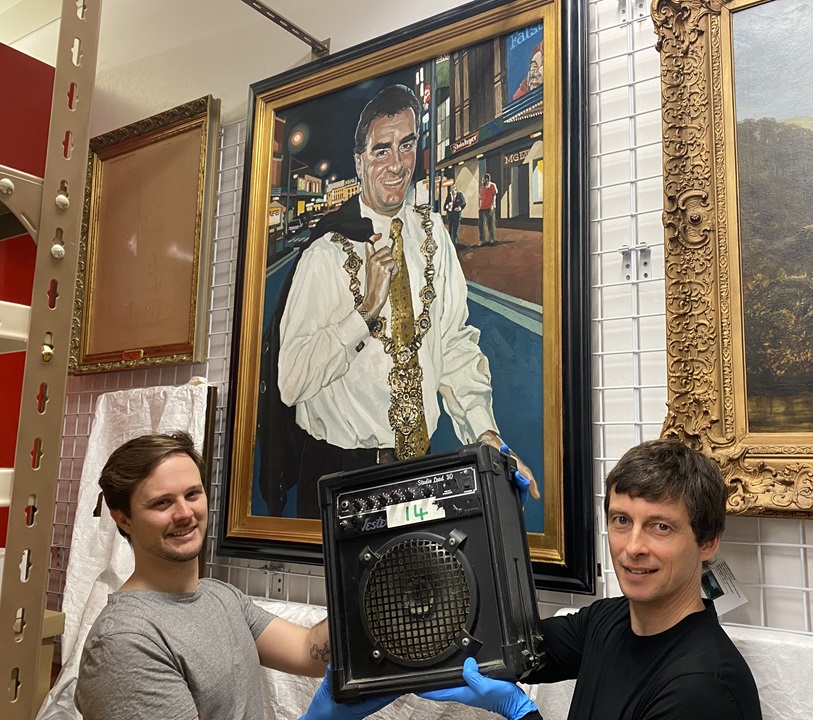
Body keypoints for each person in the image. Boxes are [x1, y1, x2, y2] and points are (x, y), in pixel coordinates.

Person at [267, 83, 536, 518]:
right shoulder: (325, 254)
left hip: (415, 471)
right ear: (359, 162)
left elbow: (454, 345)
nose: (396, 165)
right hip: (339, 475)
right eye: (381, 151)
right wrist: (364, 313)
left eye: (406, 146)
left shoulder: (434, 237)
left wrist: (485, 433)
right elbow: (291, 380)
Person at [423, 439, 763, 719]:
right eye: (621, 521)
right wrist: (496, 528)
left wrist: (521, 713)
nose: (632, 547)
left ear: (707, 542)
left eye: (661, 527)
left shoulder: (704, 688)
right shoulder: (607, 620)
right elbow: (495, 642)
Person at [74, 432, 396, 720]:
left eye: (192, 494)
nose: (185, 513)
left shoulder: (220, 597)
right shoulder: (125, 643)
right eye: (162, 503)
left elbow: (307, 650)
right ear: (124, 519)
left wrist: (381, 589)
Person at [478, 173, 498, 246]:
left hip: (490, 208)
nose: (482, 181)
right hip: (482, 208)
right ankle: (482, 240)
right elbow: (480, 197)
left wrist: (492, 205)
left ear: (487, 180)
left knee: (491, 224)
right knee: (481, 225)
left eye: (483, 179)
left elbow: (494, 196)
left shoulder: (492, 185)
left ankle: (492, 238)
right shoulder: (482, 187)